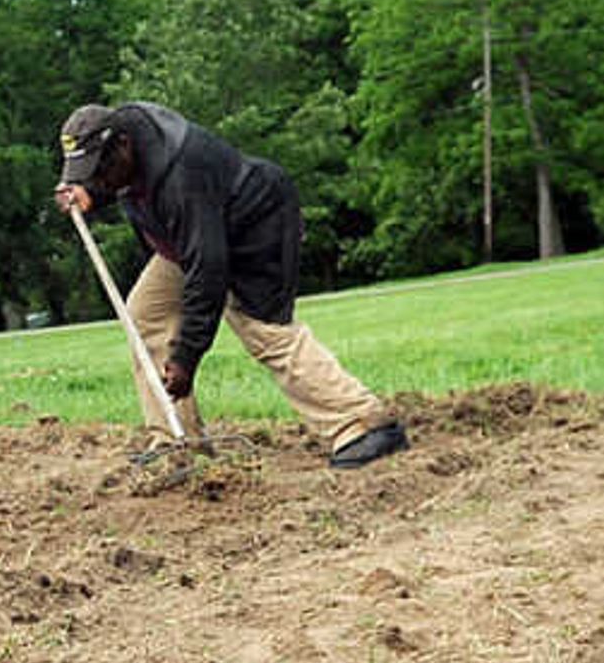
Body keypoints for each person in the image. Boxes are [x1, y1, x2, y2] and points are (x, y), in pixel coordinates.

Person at [54, 101, 409, 469]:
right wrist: (91, 193)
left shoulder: (181, 175)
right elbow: (128, 186)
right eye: (86, 171)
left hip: (255, 225)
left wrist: (185, 359)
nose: (98, 176)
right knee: (146, 314)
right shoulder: (123, 145)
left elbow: (207, 274)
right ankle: (178, 441)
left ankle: (363, 424)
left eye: (99, 169)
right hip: (194, 237)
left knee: (264, 331)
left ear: (123, 146)